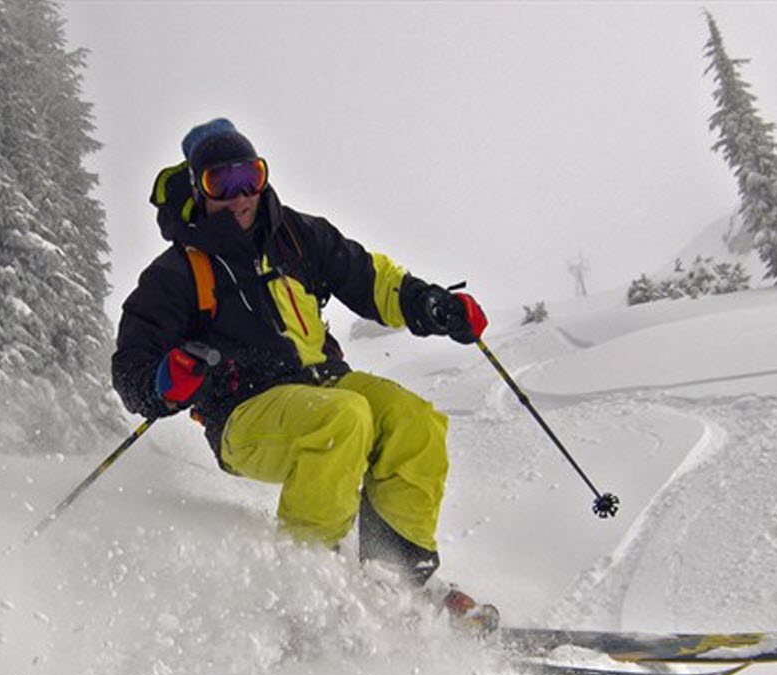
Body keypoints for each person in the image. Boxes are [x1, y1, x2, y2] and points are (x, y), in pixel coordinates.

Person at [111, 118, 495, 624]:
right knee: (342, 419)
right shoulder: (179, 272)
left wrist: (430, 305)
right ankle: (308, 591)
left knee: (412, 418)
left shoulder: (297, 236)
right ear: (198, 189)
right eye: (221, 183)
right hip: (242, 413)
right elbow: (133, 366)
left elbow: (371, 279)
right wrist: (166, 382)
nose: (241, 194)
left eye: (250, 175)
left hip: (322, 380)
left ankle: (399, 578)